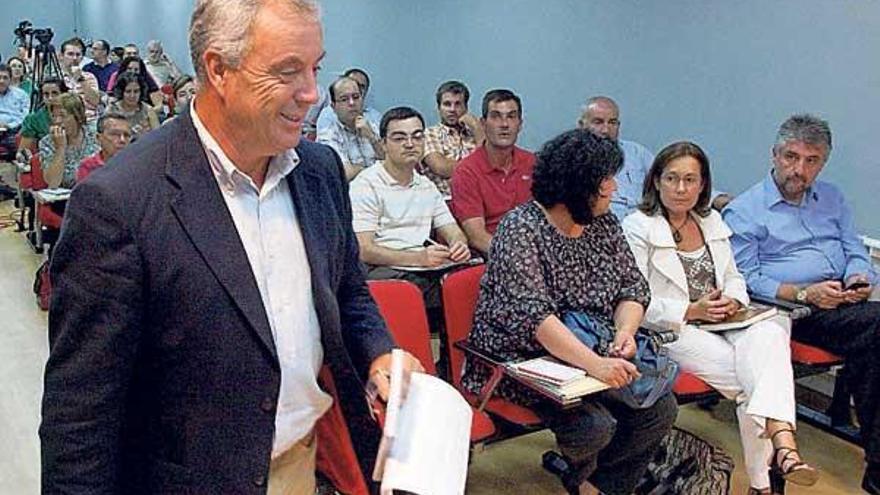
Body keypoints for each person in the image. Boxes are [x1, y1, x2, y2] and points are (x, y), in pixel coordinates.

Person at [39, 0, 422, 493]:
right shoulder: (120, 201)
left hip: (300, 462)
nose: (310, 94)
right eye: (288, 71)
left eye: (315, 68)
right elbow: (81, 413)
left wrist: (378, 351)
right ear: (219, 69)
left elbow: (348, 289)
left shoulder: (320, 171)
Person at [462, 129, 677, 495]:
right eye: (605, 181)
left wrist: (624, 333)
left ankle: (596, 485)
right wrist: (597, 366)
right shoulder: (521, 229)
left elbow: (632, 288)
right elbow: (535, 320)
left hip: (590, 348)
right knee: (595, 425)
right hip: (523, 360)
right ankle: (588, 478)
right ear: (578, 187)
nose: (614, 188)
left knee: (660, 408)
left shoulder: (604, 225)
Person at [622, 141, 819, 494]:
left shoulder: (711, 220)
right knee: (754, 380)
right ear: (655, 181)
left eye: (690, 180)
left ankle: (776, 460)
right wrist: (691, 310)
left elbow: (733, 276)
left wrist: (733, 299)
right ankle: (776, 462)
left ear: (702, 185)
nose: (681, 189)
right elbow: (632, 299)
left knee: (772, 330)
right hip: (674, 328)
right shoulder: (637, 226)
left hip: (726, 319)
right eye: (672, 178)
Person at [723, 114, 880, 494]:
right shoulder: (745, 210)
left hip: (843, 302)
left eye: (812, 161)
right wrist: (804, 293)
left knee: (874, 347)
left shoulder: (832, 198)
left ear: (823, 162)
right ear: (775, 155)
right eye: (792, 157)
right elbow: (745, 279)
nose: (800, 169)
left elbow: (853, 249)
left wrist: (861, 276)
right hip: (792, 311)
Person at [350, 106, 470, 311]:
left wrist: (459, 245)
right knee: (430, 292)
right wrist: (419, 259)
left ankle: (454, 343)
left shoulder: (426, 186)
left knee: (471, 281)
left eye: (417, 137)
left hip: (421, 268)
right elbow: (364, 250)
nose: (410, 144)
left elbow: (453, 231)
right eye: (399, 138)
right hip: (383, 269)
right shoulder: (366, 184)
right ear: (384, 144)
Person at [579, 96, 732, 219]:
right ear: (581, 125)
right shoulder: (571, 161)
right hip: (601, 235)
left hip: (644, 230)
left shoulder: (635, 152)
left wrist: (717, 199)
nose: (606, 129)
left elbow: (671, 177)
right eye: (598, 122)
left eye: (612, 122)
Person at [450, 88, 535, 256]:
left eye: (511, 116)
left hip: (533, 250)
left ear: (520, 124)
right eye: (496, 116)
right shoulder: (466, 171)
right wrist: (516, 256)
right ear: (483, 123)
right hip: (493, 255)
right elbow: (477, 237)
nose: (504, 124)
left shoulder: (534, 163)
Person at [419, 80, 484, 197]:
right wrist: (479, 168)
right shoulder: (430, 134)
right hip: (446, 202)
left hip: (480, 198)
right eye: (447, 104)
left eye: (458, 104)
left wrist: (476, 127)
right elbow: (441, 167)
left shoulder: (476, 134)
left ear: (466, 107)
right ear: (439, 108)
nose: (452, 109)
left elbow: (492, 164)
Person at [317, 76, 384, 180]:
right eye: (344, 99)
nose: (352, 103)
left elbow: (392, 161)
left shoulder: (373, 123)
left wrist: (372, 137)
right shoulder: (328, 135)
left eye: (356, 97)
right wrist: (374, 169)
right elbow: (344, 173)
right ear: (334, 107)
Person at [39, 93, 99, 189]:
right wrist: (60, 148)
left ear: (77, 116)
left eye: (63, 116)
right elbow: (53, 183)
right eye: (54, 116)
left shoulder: (96, 135)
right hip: (66, 198)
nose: (57, 121)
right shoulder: (47, 142)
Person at [315, 67, 382, 137]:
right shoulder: (328, 114)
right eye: (352, 82)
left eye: (361, 86)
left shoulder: (375, 116)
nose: (354, 87)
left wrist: (371, 137)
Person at [17, 77, 68, 157]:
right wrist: (26, 157)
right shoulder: (33, 119)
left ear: (64, 94)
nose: (50, 98)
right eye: (46, 94)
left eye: (55, 93)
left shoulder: (73, 114)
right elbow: (23, 152)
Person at [76, 112, 132, 182]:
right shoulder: (88, 167)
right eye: (114, 134)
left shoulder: (138, 165)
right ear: (99, 138)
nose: (122, 140)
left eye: (126, 135)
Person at [108, 72, 159, 140]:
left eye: (136, 91)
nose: (132, 96)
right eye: (128, 91)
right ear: (121, 92)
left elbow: (158, 138)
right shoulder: (112, 110)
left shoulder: (148, 110)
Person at [58, 38, 101, 118]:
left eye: (78, 55)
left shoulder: (89, 77)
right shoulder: (57, 77)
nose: (74, 58)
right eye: (70, 54)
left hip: (88, 119)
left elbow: (95, 101)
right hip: (64, 117)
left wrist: (81, 80)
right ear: (61, 56)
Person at [0, 63, 29, 158]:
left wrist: (9, 125)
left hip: (13, 131)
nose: (2, 81)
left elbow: (25, 117)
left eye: (5, 78)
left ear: (10, 79)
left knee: (20, 142)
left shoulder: (21, 95)